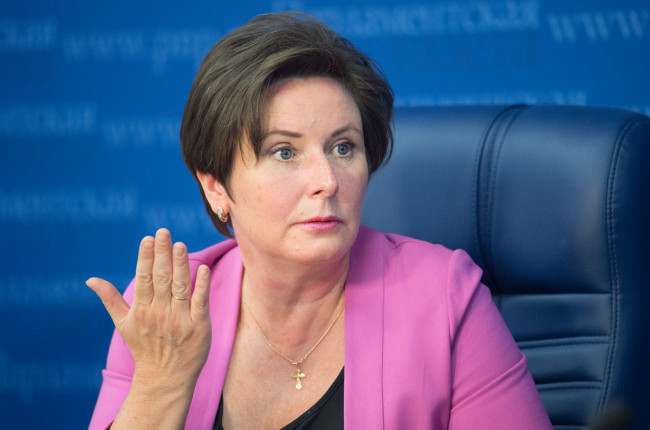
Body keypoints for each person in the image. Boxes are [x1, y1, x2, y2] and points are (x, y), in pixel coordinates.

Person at [87, 11, 552, 430]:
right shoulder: (167, 308)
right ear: (216, 187)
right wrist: (161, 384)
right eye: (284, 152)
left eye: (343, 147)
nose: (327, 181)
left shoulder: (448, 299)